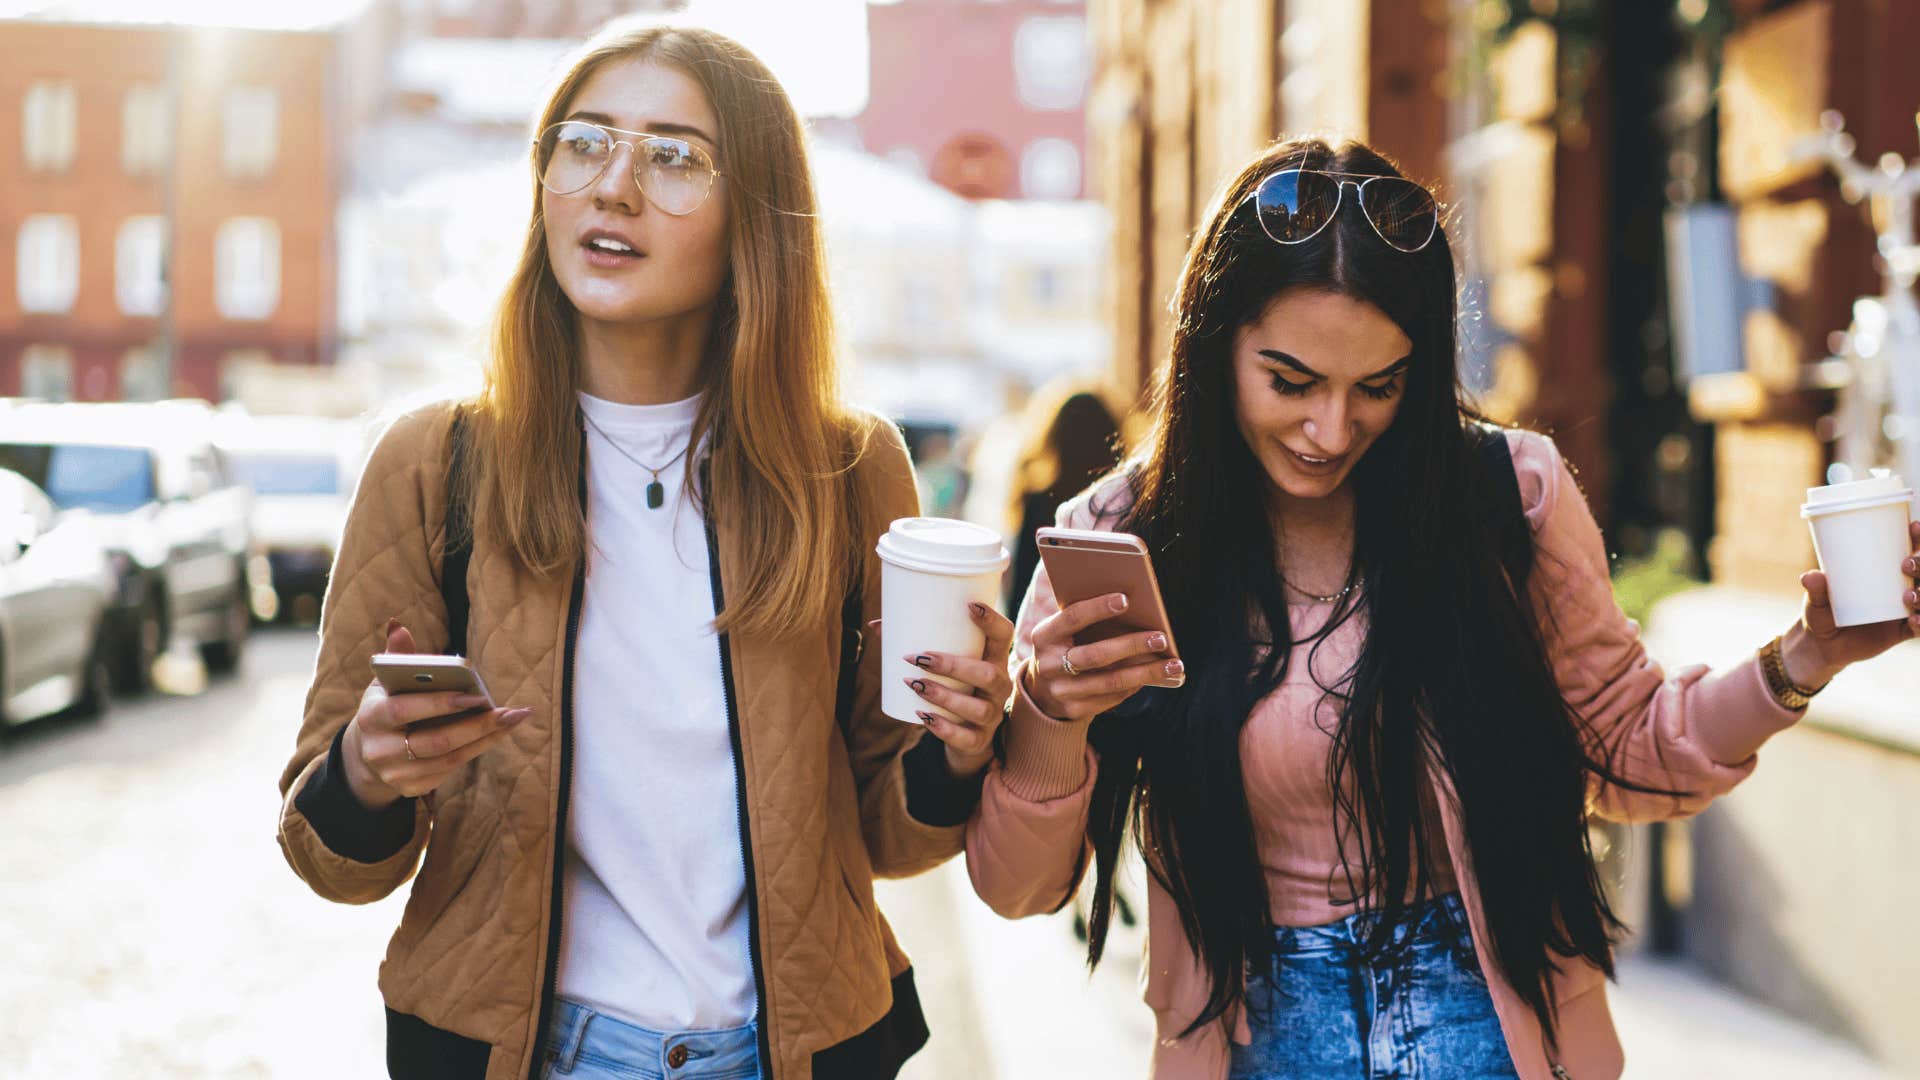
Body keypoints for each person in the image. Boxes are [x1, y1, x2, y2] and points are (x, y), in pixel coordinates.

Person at [963, 136, 1920, 1079]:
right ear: (1213, 347)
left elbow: (1629, 749)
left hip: (1492, 1029)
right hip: (1258, 1041)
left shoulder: (1507, 497)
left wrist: (1804, 657)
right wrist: (1049, 712)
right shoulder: (1126, 535)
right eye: (1290, 381)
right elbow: (1017, 891)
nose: (1330, 430)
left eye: (1377, 387)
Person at [275, 21, 1012, 1080]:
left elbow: (892, 836)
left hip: (791, 1050)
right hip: (526, 1053)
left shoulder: (848, 470)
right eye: (584, 143)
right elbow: (325, 855)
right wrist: (366, 769)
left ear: (753, 215)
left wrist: (962, 747)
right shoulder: (434, 460)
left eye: (673, 157)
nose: (613, 187)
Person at [1003, 385, 1123, 612]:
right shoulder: (1121, 505)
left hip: (1047, 624)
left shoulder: (1038, 501)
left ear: (1055, 436)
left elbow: (1021, 589)